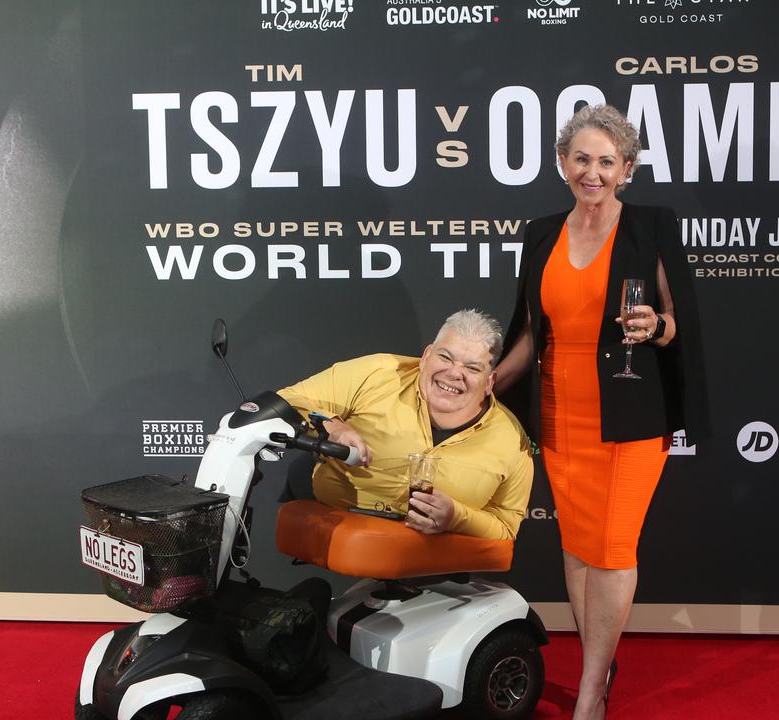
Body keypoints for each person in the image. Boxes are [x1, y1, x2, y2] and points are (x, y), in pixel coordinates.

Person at [494, 105, 710, 719]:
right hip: (561, 416)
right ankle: (600, 659)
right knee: (578, 547)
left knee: (612, 549)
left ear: (628, 169)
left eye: (606, 161)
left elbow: (678, 316)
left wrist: (657, 326)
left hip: (631, 414)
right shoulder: (541, 233)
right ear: (563, 163)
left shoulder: (650, 226)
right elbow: (533, 332)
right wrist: (492, 384)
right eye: (581, 158)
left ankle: (590, 690)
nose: (593, 172)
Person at [278, 309, 534, 540]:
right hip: (333, 513)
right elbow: (286, 399)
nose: (455, 373)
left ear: (490, 382)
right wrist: (333, 426)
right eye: (445, 357)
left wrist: (456, 517)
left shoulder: (510, 438)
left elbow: (506, 524)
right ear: (426, 357)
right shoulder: (378, 372)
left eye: (472, 368)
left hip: (433, 554)